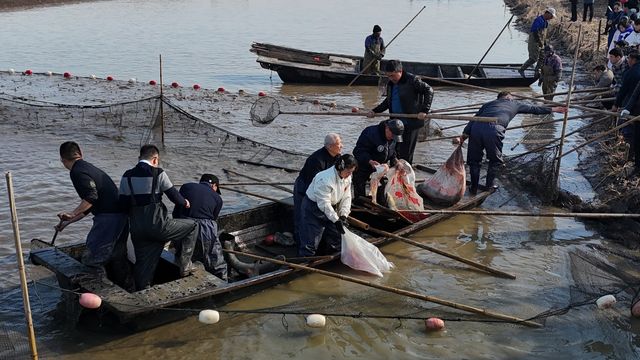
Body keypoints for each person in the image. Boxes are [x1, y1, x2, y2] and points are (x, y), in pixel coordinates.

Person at [119, 144, 199, 290]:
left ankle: (142, 291)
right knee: (193, 225)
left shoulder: (126, 176)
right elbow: (174, 197)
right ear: (155, 159)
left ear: (139, 158)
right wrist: (185, 202)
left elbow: (122, 205)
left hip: (137, 230)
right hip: (159, 227)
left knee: (143, 266)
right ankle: (185, 265)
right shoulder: (158, 173)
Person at [460, 91, 567, 194]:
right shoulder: (514, 103)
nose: (513, 99)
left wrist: (464, 134)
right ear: (508, 97)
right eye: (512, 97)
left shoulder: (488, 104)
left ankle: (473, 188)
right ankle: (489, 186)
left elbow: (474, 118)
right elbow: (534, 109)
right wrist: (554, 109)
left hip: (476, 128)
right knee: (494, 160)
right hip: (494, 129)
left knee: (474, 161)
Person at [56, 141, 130, 286]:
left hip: (108, 219)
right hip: (121, 216)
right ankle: (127, 287)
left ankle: (101, 289)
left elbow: (91, 197)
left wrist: (72, 213)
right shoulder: (88, 167)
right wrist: (67, 222)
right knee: (118, 256)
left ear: (62, 160)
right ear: (80, 154)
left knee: (92, 259)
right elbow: (91, 205)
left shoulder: (77, 172)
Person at [368, 60, 432, 164]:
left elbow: (429, 90)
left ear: (400, 71)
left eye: (393, 75)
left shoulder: (412, 80)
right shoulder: (391, 84)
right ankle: (394, 174)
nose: (391, 78)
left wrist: (424, 110)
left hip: (410, 123)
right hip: (395, 124)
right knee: (393, 152)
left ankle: (405, 175)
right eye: (388, 76)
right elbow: (388, 101)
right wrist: (374, 111)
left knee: (406, 154)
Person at [298, 154, 357, 257]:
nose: (349, 175)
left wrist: (343, 216)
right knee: (311, 241)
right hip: (313, 208)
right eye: (348, 172)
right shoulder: (324, 179)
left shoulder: (347, 177)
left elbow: (346, 197)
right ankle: (305, 260)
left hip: (331, 207)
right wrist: (335, 219)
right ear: (340, 168)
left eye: (351, 172)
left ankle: (332, 258)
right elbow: (324, 204)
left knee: (337, 236)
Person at [173, 174, 227, 280]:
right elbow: (213, 220)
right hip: (206, 226)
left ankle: (180, 271)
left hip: (184, 222)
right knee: (214, 256)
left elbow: (176, 212)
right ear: (214, 186)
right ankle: (222, 279)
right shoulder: (218, 199)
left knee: (181, 251)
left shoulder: (186, 187)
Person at [293, 133, 342, 244]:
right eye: (339, 144)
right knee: (302, 215)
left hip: (324, 188)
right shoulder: (316, 160)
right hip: (305, 187)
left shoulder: (338, 157)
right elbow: (315, 185)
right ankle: (299, 241)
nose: (342, 146)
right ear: (329, 146)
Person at [352, 119, 404, 200]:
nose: (392, 138)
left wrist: (396, 162)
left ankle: (378, 203)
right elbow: (358, 151)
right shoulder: (370, 133)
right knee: (360, 190)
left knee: (382, 193)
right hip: (364, 165)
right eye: (392, 135)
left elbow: (393, 152)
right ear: (387, 128)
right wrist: (370, 161)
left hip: (380, 168)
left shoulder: (394, 138)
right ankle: (360, 203)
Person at [519, 7, 556, 77]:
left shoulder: (546, 23)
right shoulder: (538, 20)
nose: (551, 18)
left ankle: (537, 71)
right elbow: (535, 32)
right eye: (551, 16)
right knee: (533, 58)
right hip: (534, 42)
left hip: (541, 43)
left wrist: (545, 44)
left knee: (542, 57)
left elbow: (544, 35)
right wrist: (539, 42)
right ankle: (522, 69)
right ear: (547, 13)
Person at [614, 51, 640, 150]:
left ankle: (628, 149)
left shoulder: (631, 72)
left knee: (627, 127)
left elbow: (623, 90)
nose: (627, 60)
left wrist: (616, 104)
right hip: (634, 104)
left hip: (632, 104)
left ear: (633, 60)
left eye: (629, 58)